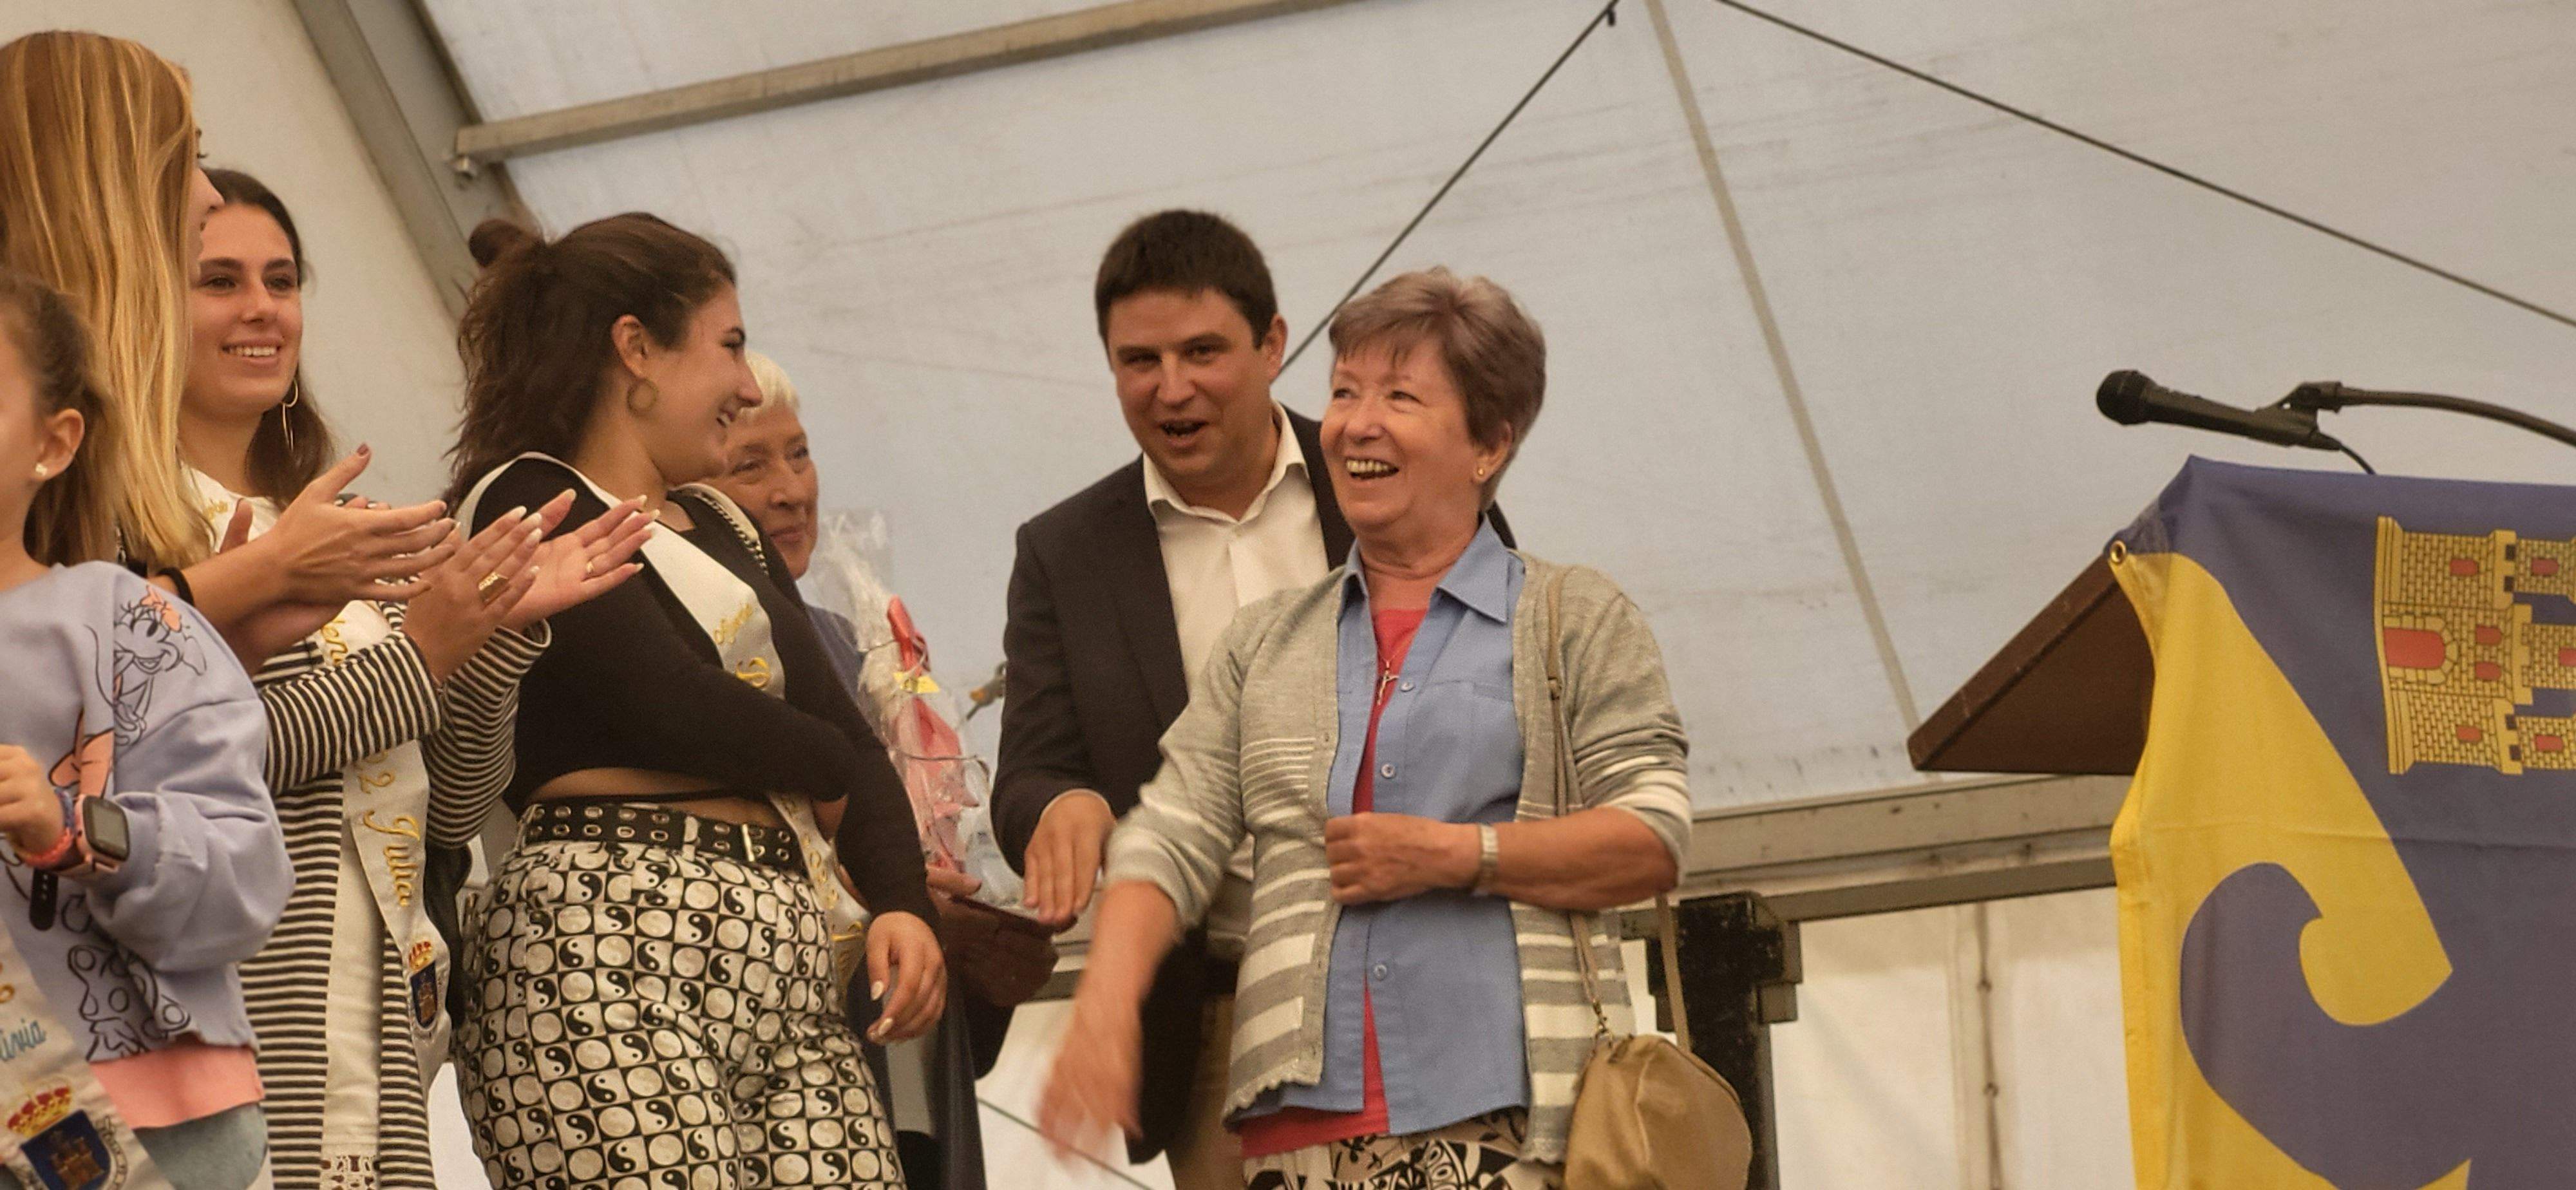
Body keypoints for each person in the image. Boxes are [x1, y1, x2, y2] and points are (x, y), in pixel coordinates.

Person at [1039, 269, 1691, 1189]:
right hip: (1293, 1136)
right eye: (1343, 391)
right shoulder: (1266, 642)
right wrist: (1104, 1005)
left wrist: (1457, 855)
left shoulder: (1571, 615)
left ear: (1489, 443)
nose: (1356, 421)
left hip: (1516, 1119)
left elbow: (1653, 835)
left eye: (1400, 396)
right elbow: (1170, 835)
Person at [992, 210, 1511, 1186]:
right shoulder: (1066, 552)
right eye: (1138, 361)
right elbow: (1033, 769)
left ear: (1274, 344)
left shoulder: (1398, 472)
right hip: (1219, 1015)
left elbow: (1508, 693)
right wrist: (1061, 808)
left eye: (1202, 352)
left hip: (1435, 976)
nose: (1171, 388)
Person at [444, 214, 942, 1190]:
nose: (748, 387)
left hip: (790, 969)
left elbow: (833, 730)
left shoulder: (720, 520)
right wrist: (835, 764)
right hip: (597, 959)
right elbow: (671, 706)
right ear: (636, 350)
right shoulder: (530, 500)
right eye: (731, 346)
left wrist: (904, 903)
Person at [180, 167, 648, 1190]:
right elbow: (197, 758)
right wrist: (426, 652)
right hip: (238, 1022)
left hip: (386, 1027)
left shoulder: (368, 528)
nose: (262, 307)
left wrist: (495, 637)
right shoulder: (144, 540)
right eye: (217, 279)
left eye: (282, 277)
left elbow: (457, 811)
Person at [710, 352, 1056, 1190]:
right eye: (751, 464)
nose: (792, 489)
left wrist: (972, 950)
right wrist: (883, 899)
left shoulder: (852, 637)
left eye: (799, 453)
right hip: (775, 1097)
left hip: (912, 1100)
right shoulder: (689, 659)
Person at [0, 31, 451, 669]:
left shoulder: (91, 411)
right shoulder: (29, 394)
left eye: (283, 281)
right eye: (187, 158)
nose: (210, 195)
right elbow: (35, 657)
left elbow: (102, 713)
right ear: (108, 183)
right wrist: (267, 571)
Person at [0, 266, 291, 1189]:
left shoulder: (125, 623)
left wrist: (76, 832)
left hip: (141, 1120)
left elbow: (245, 874)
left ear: (55, 442)